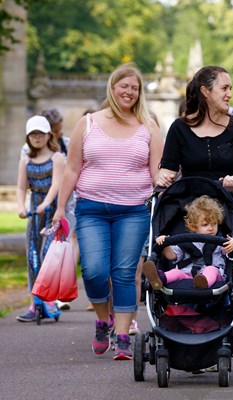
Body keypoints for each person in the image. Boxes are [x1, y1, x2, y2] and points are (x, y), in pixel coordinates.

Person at [52, 63, 163, 360]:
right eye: (124, 86)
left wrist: (168, 181)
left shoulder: (147, 126)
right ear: (112, 88)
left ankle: (124, 337)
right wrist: (61, 208)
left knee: (125, 273)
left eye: (135, 88)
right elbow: (72, 168)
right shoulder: (87, 123)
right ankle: (104, 320)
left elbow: (157, 172)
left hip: (133, 211)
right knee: (94, 270)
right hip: (91, 209)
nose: (129, 92)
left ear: (140, 93)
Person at [157, 65, 233, 189]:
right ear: (205, 91)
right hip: (187, 201)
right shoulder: (179, 127)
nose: (229, 94)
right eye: (224, 88)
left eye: (230, 88)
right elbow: (168, 169)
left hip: (226, 199)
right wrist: (164, 178)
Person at [16, 116, 65, 322]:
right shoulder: (25, 159)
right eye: (33, 134)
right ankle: (34, 301)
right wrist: (21, 206)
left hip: (51, 213)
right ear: (28, 137)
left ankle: (50, 299)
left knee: (47, 256)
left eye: (40, 134)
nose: (37, 138)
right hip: (34, 214)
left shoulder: (57, 157)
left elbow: (56, 184)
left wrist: (47, 203)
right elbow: (20, 187)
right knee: (32, 257)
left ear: (48, 135)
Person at [142, 195, 233, 289]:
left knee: (211, 269)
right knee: (176, 272)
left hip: (214, 277)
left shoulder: (219, 242)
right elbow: (171, 256)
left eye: (214, 224)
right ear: (193, 227)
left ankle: (204, 283)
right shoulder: (186, 241)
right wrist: (164, 243)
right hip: (188, 274)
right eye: (205, 225)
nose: (211, 228)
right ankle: (160, 278)